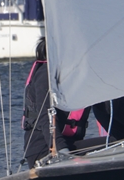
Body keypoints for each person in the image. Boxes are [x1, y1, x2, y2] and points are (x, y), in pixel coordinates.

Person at [22, 38, 89, 167]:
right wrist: (62, 151)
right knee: (114, 145)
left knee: (118, 143)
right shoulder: (45, 75)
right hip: (44, 149)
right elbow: (45, 117)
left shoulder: (77, 75)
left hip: (71, 145)